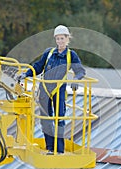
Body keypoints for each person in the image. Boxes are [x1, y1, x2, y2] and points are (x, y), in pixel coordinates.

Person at [16, 25, 85, 154]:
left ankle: (58, 149)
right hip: (44, 89)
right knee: (45, 119)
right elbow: (38, 67)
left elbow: (80, 71)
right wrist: (26, 74)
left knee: (59, 118)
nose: (60, 41)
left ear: (67, 39)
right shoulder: (49, 53)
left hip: (58, 89)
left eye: (62, 38)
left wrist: (76, 80)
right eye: (58, 39)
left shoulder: (71, 55)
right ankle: (50, 147)